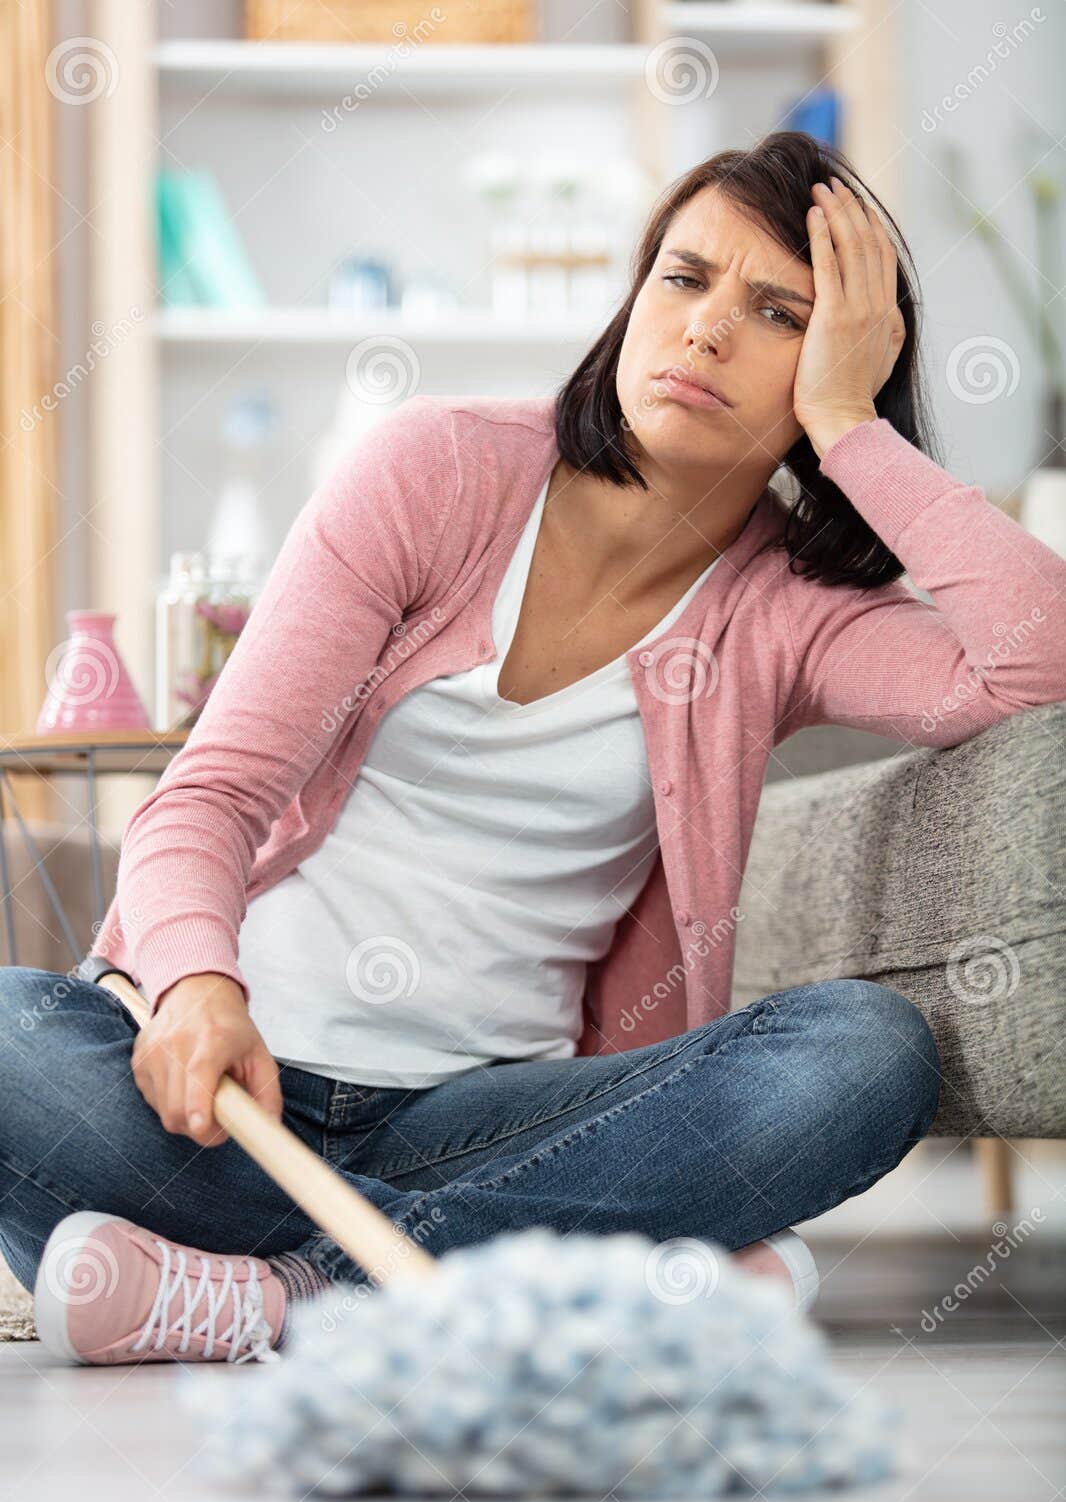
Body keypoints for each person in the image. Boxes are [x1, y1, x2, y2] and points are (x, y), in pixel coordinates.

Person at [4, 133, 1064, 1368]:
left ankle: (280, 1301)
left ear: (840, 359)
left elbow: (1036, 663)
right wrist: (194, 982)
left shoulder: (785, 608)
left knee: (861, 1056)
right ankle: (591, 1271)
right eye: (683, 279)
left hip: (499, 1120)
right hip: (233, 1096)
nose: (708, 331)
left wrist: (848, 428)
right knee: (18, 1038)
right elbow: (216, 792)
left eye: (779, 312)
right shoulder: (437, 469)